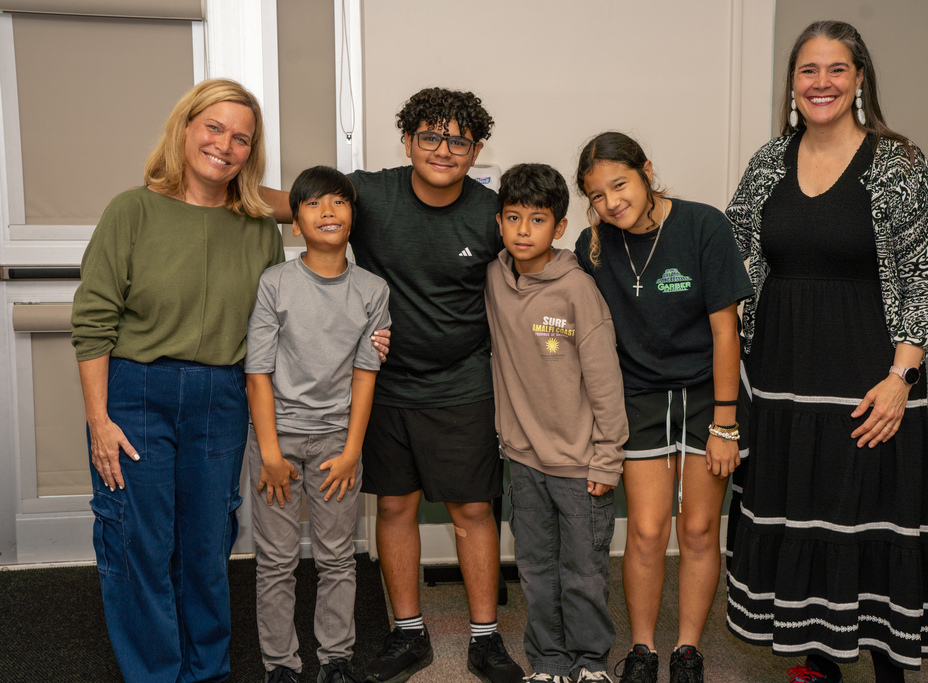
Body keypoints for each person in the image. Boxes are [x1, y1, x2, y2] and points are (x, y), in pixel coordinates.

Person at [262, 87, 524, 683]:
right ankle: (408, 633)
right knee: (397, 505)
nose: (443, 148)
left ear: (476, 148)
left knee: (472, 509)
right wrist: (210, 190)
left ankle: (485, 638)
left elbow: (533, 262)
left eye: (458, 139)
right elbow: (293, 204)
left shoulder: (490, 211)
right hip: (383, 386)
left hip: (462, 382)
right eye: (429, 135)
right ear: (407, 140)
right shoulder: (370, 193)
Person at [724, 20, 928, 683]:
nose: (821, 82)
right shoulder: (768, 163)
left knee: (869, 518)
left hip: (870, 379)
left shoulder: (899, 164)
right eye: (808, 70)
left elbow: (924, 280)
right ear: (792, 84)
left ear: (859, 79)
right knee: (804, 513)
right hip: (783, 378)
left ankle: (888, 670)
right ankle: (819, 660)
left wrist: (901, 377)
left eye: (836, 69)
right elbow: (732, 248)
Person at [71, 79, 285, 683]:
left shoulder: (260, 230)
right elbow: (92, 323)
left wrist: (369, 336)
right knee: (140, 545)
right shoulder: (132, 210)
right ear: (185, 128)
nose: (224, 144)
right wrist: (98, 423)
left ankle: (207, 672)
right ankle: (155, 674)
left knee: (207, 548)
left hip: (221, 398)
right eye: (213, 127)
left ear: (251, 152)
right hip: (135, 394)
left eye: (241, 138)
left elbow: (275, 329)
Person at [574, 132, 754, 683]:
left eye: (620, 184)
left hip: (709, 394)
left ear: (647, 171)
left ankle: (688, 652)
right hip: (640, 398)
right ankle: (644, 650)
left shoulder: (704, 226)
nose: (611, 202)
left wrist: (725, 423)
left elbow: (728, 332)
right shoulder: (592, 245)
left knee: (699, 529)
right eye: (597, 195)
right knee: (648, 532)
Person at [244, 165, 390, 683]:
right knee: (277, 560)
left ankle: (335, 658)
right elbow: (257, 373)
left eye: (338, 202)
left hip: (337, 441)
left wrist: (352, 451)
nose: (327, 212)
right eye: (312, 204)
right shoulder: (274, 283)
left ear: (354, 217)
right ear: (295, 222)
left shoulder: (373, 290)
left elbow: (365, 376)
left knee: (336, 557)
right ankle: (280, 664)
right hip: (276, 439)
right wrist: (270, 455)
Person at [485, 163, 628, 683]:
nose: (524, 231)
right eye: (513, 218)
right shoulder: (494, 279)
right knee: (536, 572)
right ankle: (548, 663)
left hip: (580, 462)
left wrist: (608, 456)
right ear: (498, 222)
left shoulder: (577, 291)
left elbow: (606, 383)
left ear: (559, 227)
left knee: (584, 574)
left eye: (538, 219)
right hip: (522, 461)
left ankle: (591, 663)